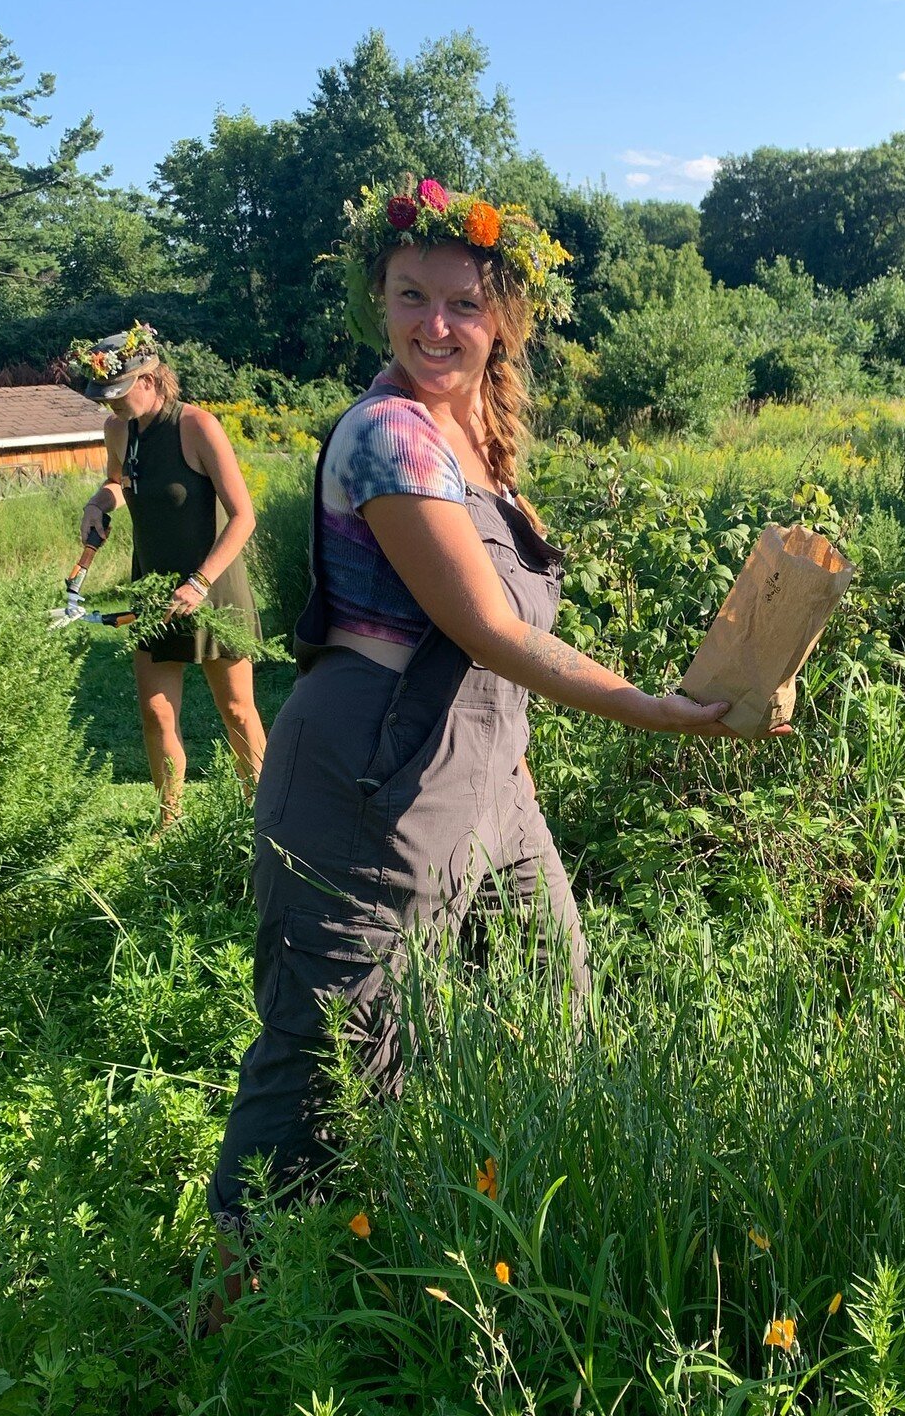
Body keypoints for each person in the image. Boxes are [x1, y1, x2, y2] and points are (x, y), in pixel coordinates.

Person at [206, 179, 786, 1297]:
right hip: (369, 777)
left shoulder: (477, 440)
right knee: (329, 1059)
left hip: (484, 781)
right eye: (410, 297)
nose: (436, 325)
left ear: (504, 314)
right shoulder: (389, 437)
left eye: (462, 303)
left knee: (548, 992)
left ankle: (502, 1244)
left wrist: (519, 773)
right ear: (376, 300)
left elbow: (489, 668)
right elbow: (488, 628)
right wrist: (659, 710)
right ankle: (225, 1325)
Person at [72, 324, 267, 819]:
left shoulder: (197, 426)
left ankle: (264, 817)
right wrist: (100, 501)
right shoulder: (119, 429)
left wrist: (200, 582)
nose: (111, 406)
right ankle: (170, 822)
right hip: (153, 589)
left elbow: (244, 516)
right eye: (105, 398)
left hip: (214, 587)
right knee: (156, 711)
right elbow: (119, 482)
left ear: (149, 377)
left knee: (237, 711)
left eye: (117, 395)